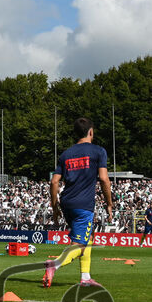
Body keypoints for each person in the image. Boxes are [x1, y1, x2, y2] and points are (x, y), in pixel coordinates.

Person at [43, 118, 113, 288]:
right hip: (83, 204)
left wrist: (54, 207)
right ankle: (54, 265)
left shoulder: (66, 154)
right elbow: (104, 179)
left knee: (87, 239)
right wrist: (109, 204)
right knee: (80, 245)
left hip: (67, 202)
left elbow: (54, 182)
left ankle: (86, 277)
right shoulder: (98, 151)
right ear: (91, 131)